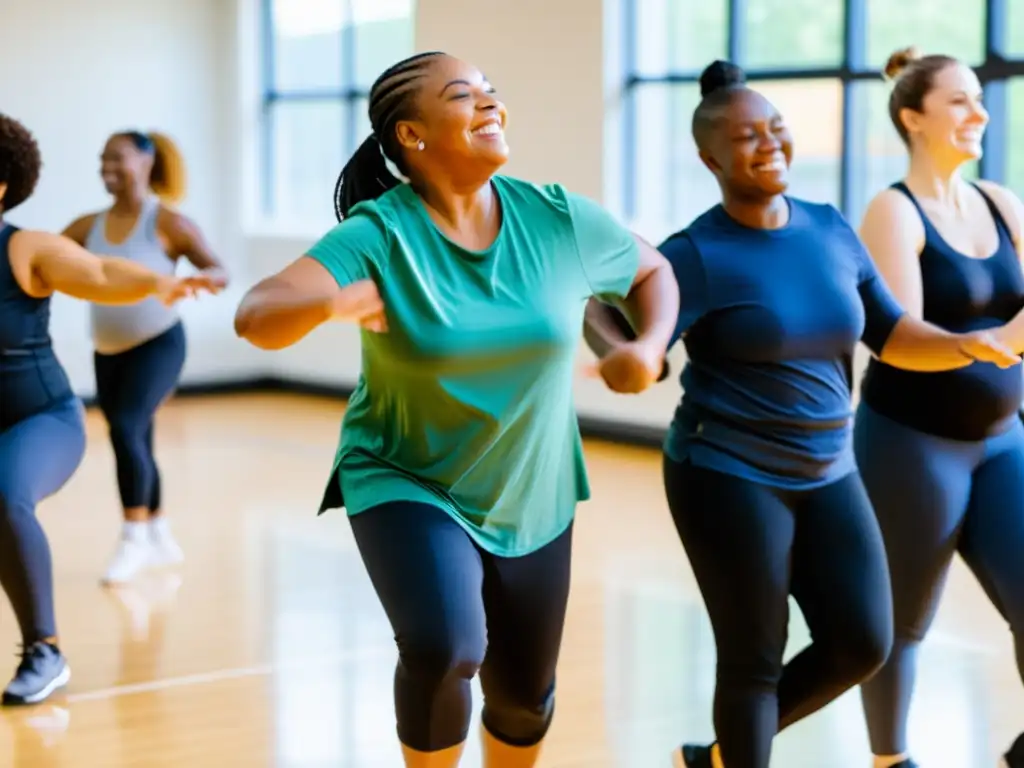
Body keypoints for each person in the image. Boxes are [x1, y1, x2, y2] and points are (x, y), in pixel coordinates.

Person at [233, 51, 679, 768]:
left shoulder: (556, 218)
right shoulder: (380, 234)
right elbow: (257, 316)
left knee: (523, 697)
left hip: (531, 489)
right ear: (411, 135)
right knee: (446, 646)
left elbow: (651, 268)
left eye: (492, 93)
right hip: (405, 475)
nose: (490, 105)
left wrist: (650, 344)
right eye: (464, 96)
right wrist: (334, 300)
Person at [582, 61, 1021, 768]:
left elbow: (891, 332)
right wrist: (635, 350)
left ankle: (719, 757)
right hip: (726, 469)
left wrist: (970, 344)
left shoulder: (829, 229)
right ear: (709, 158)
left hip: (827, 465)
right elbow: (604, 304)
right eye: (747, 137)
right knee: (753, 657)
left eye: (776, 129)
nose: (769, 144)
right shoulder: (698, 252)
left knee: (863, 640)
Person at [0, 112, 218, 705]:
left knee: (8, 491)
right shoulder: (78, 225)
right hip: (101, 356)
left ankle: (45, 651)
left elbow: (98, 271)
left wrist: (158, 284)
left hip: (39, 419)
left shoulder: (25, 248)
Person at [854, 47, 1024, 768]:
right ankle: (892, 760)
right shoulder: (893, 211)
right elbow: (901, 341)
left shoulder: (1002, 201)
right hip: (912, 443)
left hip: (1002, 440)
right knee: (902, 623)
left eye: (979, 99)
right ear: (912, 117)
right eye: (958, 100)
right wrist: (993, 341)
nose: (977, 112)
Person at [62, 130, 228, 586]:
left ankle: (133, 537)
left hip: (158, 345)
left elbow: (218, 268)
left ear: (146, 162)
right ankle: (157, 529)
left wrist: (202, 280)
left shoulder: (168, 223)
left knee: (126, 430)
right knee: (137, 436)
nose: (107, 168)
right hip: (107, 350)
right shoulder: (86, 226)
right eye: (102, 160)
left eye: (117, 158)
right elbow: (48, 258)